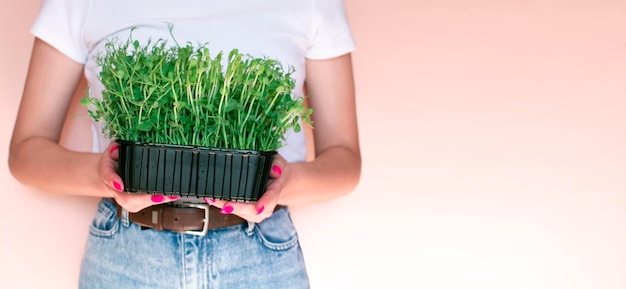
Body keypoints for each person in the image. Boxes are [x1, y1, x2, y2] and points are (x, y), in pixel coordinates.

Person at [8, 0, 361, 288]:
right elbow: (27, 150)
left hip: (259, 255)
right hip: (125, 257)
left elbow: (344, 159)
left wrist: (285, 183)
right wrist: (104, 174)